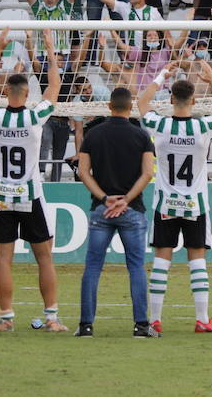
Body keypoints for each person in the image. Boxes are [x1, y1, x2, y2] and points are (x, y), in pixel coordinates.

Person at [0, 39, 68, 332]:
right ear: (27, 93)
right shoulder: (35, 116)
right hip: (30, 193)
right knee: (44, 257)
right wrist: (51, 52)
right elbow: (55, 88)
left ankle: (6, 318)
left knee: (3, 258)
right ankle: (51, 318)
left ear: (7, 92)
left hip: (2, 195)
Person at [139, 59, 212, 334]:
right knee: (198, 259)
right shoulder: (203, 127)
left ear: (171, 98)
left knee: (161, 260)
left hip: (166, 202)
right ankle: (202, 319)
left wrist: (161, 75)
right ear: (193, 100)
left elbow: (142, 104)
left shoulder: (160, 124)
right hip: (195, 203)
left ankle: (154, 319)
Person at [75, 85, 156, 338]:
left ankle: (86, 325)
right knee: (136, 267)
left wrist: (104, 198)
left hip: (101, 209)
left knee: (92, 267)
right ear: (131, 108)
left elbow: (83, 172)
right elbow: (148, 173)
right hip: (132, 209)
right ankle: (141, 326)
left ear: (109, 106)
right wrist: (126, 199)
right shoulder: (141, 136)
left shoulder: (93, 134)